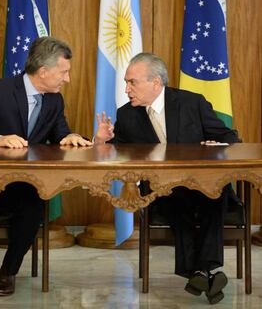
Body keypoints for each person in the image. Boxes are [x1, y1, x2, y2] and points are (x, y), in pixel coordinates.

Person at [95, 52, 239, 304]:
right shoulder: (127, 114)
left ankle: (197, 272)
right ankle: (209, 272)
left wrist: (216, 144)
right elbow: (116, 154)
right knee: (175, 200)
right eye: (126, 83)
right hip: (164, 189)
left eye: (132, 82)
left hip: (205, 183)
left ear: (156, 83)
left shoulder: (192, 103)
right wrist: (102, 141)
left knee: (212, 197)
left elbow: (229, 136)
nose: (127, 89)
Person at [0, 36, 92, 298]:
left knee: (33, 208)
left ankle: (8, 272)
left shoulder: (54, 100)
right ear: (43, 71)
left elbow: (60, 132)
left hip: (24, 185)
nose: (67, 79)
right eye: (64, 72)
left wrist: (71, 136)